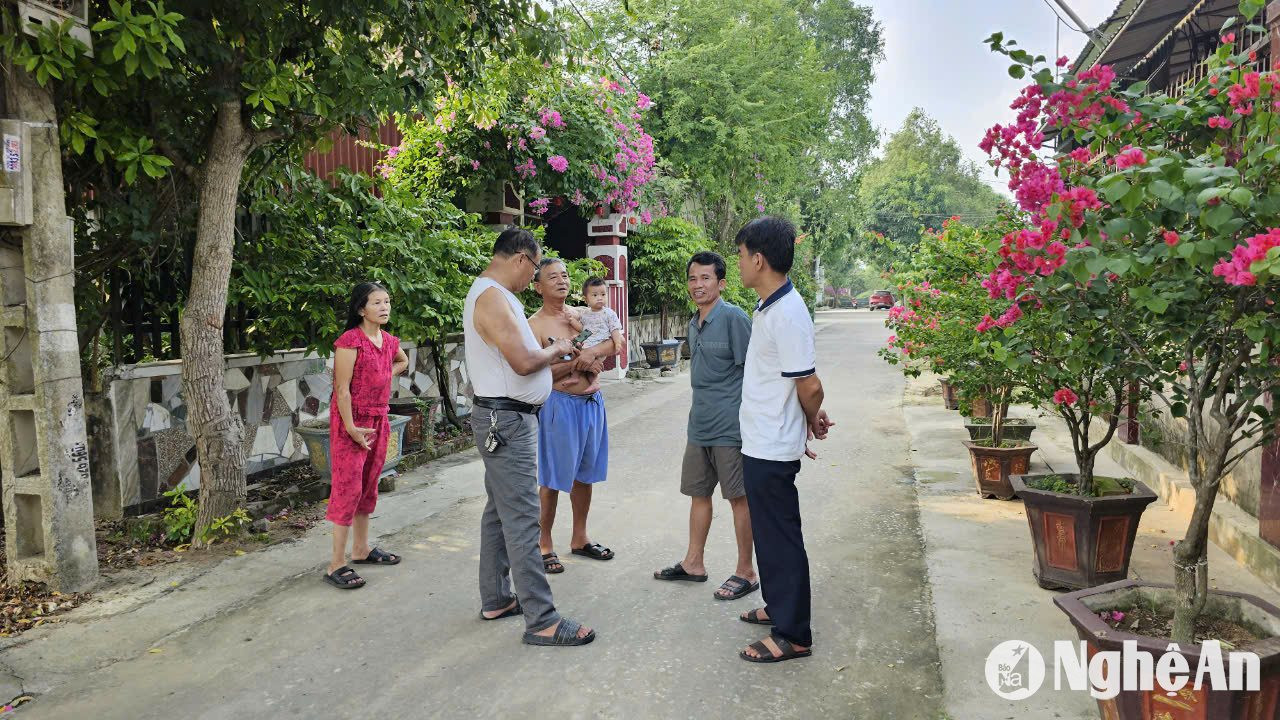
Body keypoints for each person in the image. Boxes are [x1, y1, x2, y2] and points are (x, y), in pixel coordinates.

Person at [464, 228, 595, 647]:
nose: (534, 277)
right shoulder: (493, 297)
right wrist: (557, 351)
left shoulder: (493, 295)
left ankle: (497, 597)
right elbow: (522, 362)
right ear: (522, 258)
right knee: (522, 517)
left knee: (497, 511)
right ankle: (542, 619)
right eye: (536, 268)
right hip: (509, 422)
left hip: (503, 418)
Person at [733, 217, 834, 664]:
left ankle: (793, 632)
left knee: (779, 538)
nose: (738, 263)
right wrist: (807, 417)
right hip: (762, 439)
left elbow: (809, 385)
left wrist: (810, 419)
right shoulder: (769, 306)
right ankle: (778, 607)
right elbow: (792, 381)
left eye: (739, 255)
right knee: (769, 534)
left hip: (771, 445)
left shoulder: (788, 313)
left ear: (758, 259)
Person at [653, 251, 759, 601]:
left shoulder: (734, 319)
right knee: (698, 494)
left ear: (721, 283)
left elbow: (755, 375)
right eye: (693, 278)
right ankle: (693, 563)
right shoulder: (692, 322)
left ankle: (746, 571)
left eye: (706, 278)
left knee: (738, 498)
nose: (698, 285)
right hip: (698, 425)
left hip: (730, 427)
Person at [528, 259, 618, 574]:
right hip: (559, 404)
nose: (562, 280)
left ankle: (580, 538)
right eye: (552, 276)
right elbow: (534, 371)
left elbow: (614, 342)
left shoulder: (582, 315)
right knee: (552, 477)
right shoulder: (534, 325)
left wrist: (592, 354)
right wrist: (576, 363)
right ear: (537, 286)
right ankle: (544, 543)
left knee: (585, 473)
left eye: (565, 275)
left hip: (591, 403)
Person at [324, 282, 410, 590]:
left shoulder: (387, 341)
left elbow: (403, 361)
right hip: (352, 423)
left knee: (368, 486)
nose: (385, 307)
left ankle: (360, 550)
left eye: (387, 301)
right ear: (362, 309)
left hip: (378, 419)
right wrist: (350, 429)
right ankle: (336, 563)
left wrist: (385, 372)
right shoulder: (350, 341)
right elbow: (341, 389)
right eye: (377, 302)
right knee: (347, 489)